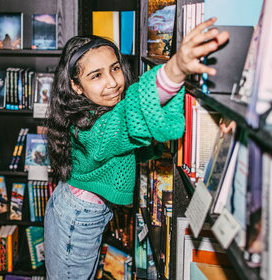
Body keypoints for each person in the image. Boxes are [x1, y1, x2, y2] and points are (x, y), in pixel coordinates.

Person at [43, 18, 229, 280]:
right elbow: (131, 114)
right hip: (77, 217)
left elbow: (123, 142)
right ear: (76, 86)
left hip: (74, 208)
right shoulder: (93, 126)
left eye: (115, 68)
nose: (113, 83)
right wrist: (174, 69)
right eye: (96, 76)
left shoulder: (89, 110)